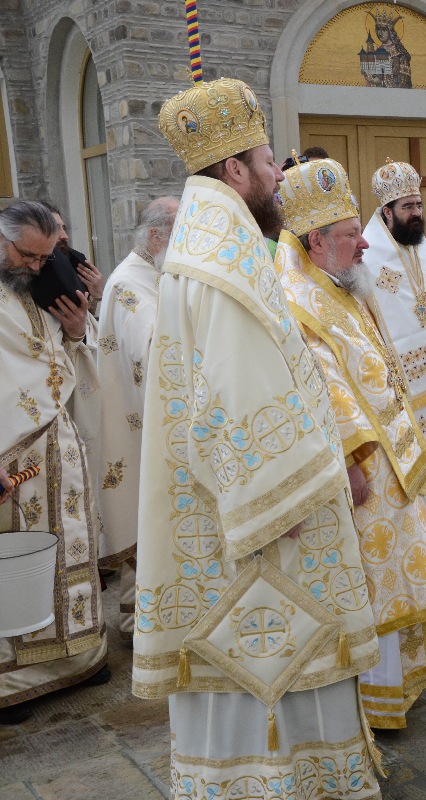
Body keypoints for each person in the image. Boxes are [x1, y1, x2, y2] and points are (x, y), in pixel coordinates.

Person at [135, 77, 382, 798]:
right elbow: (243, 401)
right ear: (235, 171)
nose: (281, 176)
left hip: (234, 519)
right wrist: (293, 497)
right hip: (264, 535)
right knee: (268, 665)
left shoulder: (219, 245)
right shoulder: (226, 262)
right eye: (270, 162)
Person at [276, 157, 426, 730]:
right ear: (317, 240)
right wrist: (352, 458)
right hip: (361, 470)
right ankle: (375, 700)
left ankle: (402, 682)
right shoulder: (297, 298)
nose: (363, 246)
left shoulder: (338, 284)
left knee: (397, 575)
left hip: (392, 460)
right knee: (377, 583)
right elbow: (320, 383)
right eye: (352, 236)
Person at [0, 200, 110, 725]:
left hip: (57, 446)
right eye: (28, 256)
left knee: (70, 550)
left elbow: (61, 357)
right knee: (19, 566)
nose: (38, 267)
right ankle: (15, 677)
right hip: (9, 458)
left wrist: (74, 332)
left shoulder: (34, 285)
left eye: (45, 257)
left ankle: (81, 656)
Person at [360, 160, 426, 545]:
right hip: (400, 379)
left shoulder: (423, 249)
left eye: (418, 205)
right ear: (386, 212)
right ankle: (417, 528)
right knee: (412, 447)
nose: (416, 213)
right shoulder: (370, 257)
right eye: (407, 207)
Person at [95, 196, 179, 644]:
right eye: (178, 234)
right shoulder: (131, 283)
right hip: (141, 427)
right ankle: (138, 624)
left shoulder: (152, 274)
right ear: (155, 237)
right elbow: (153, 354)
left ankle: (142, 619)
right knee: (149, 522)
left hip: (147, 424)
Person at [43, 202, 105, 317]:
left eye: (63, 228)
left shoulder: (76, 261)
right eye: (56, 229)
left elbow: (87, 319)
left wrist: (97, 295)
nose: (65, 236)